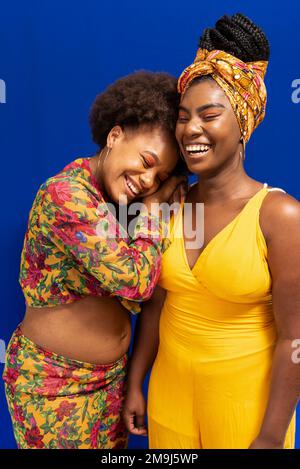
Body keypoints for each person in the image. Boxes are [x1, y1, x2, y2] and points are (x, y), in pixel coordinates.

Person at [123, 14, 300, 449]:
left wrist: (272, 436)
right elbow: (156, 304)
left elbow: (296, 337)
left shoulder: (278, 215)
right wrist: (135, 382)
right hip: (170, 403)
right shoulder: (175, 203)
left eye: (209, 114)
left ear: (243, 123)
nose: (191, 129)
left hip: (246, 411)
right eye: (183, 117)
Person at [2, 71, 186, 449]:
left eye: (160, 175)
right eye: (147, 160)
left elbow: (144, 297)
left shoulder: (120, 204)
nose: (148, 180)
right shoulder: (66, 195)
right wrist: (153, 211)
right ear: (114, 136)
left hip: (110, 384)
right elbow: (135, 280)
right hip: (56, 389)